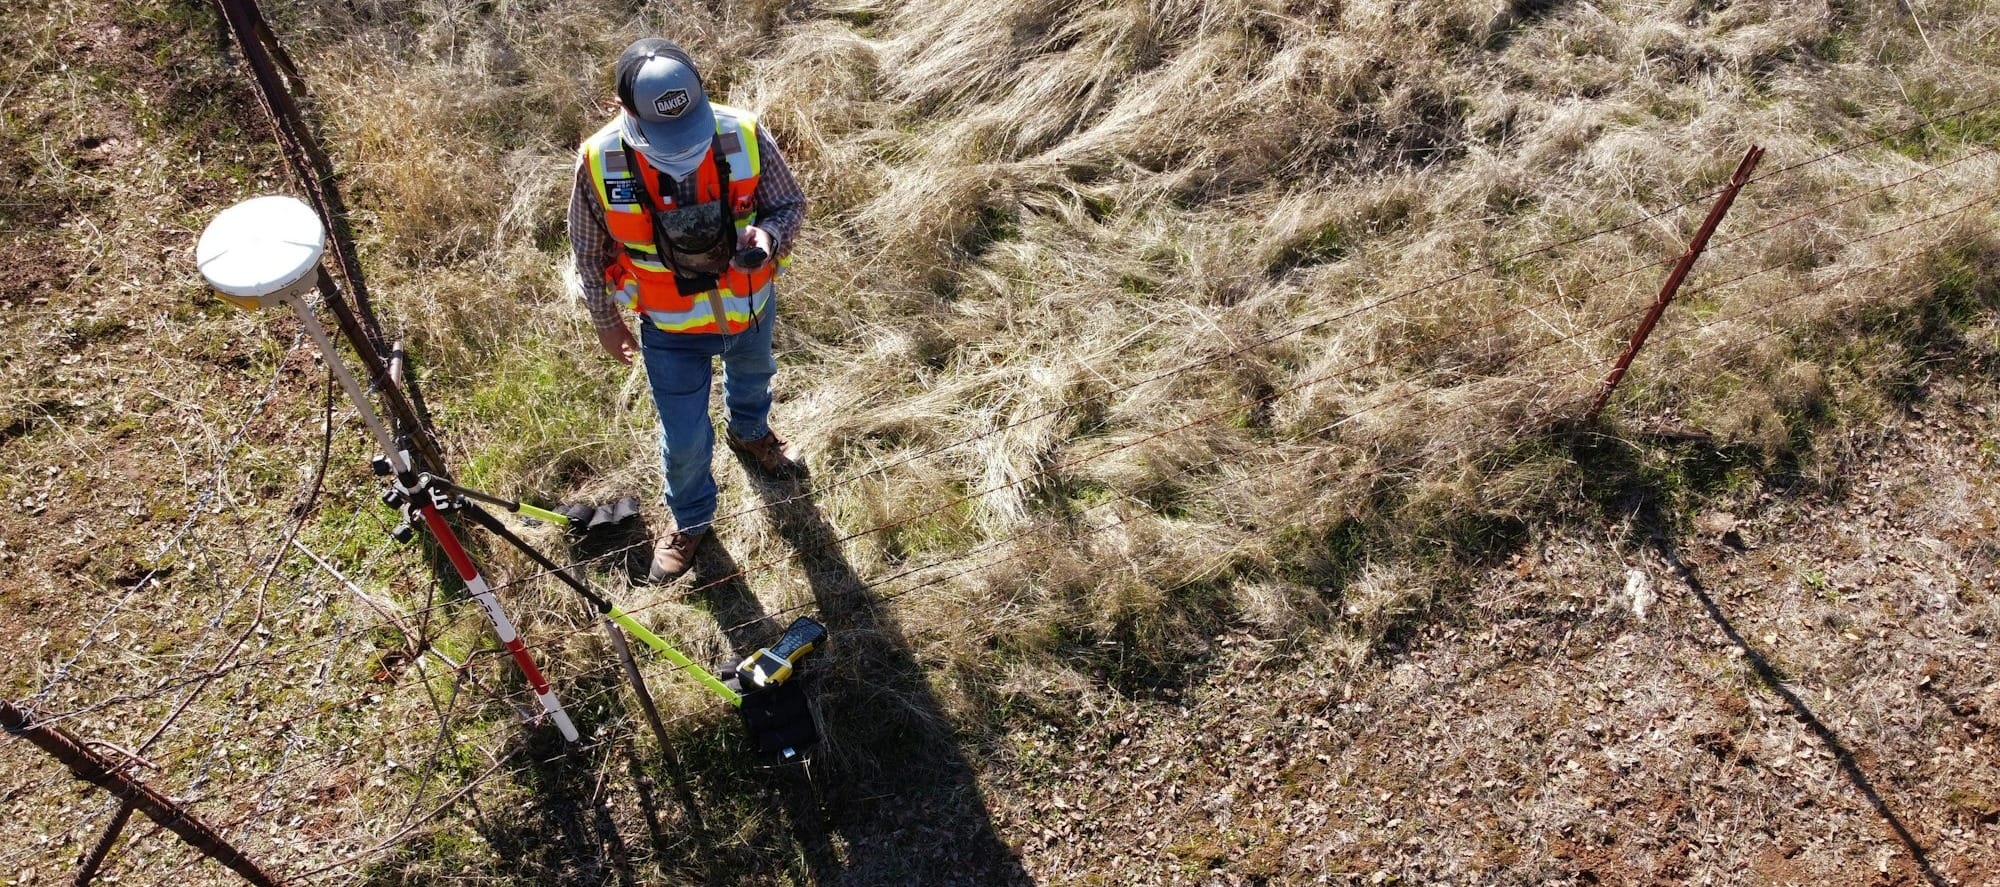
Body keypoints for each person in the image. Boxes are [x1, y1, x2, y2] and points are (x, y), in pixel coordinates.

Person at [568, 37, 808, 583]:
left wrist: (768, 237)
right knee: (683, 440)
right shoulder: (598, 160)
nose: (683, 147)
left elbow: (788, 203)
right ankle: (692, 520)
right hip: (668, 329)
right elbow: (588, 250)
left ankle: (751, 433)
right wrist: (607, 322)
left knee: (755, 379)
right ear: (624, 110)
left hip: (749, 309)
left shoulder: (743, 131)